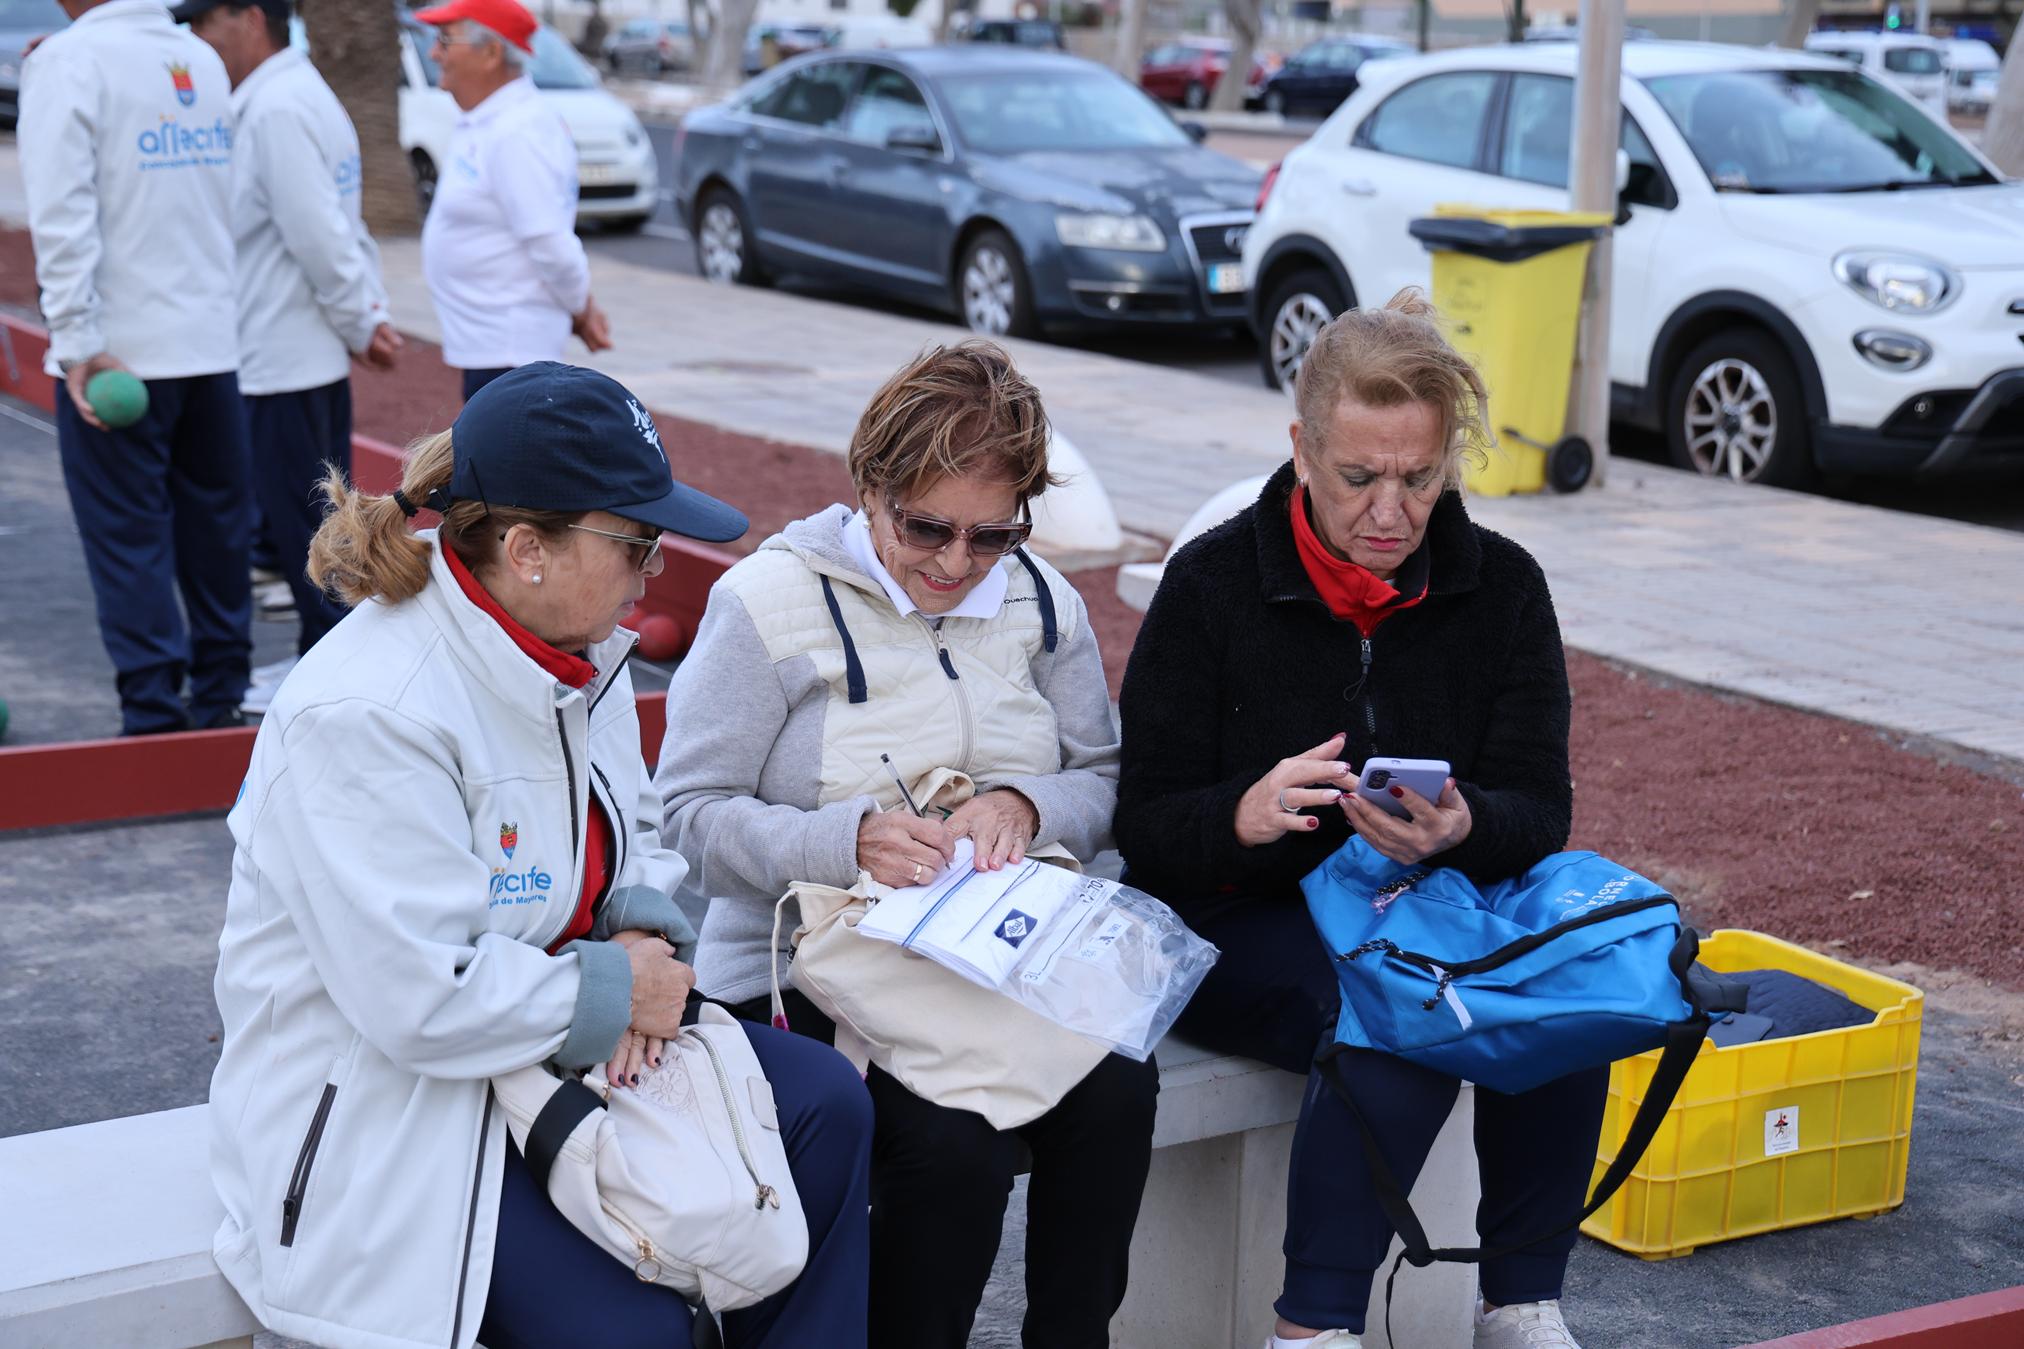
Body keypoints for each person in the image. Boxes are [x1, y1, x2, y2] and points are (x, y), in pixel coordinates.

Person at [208, 363, 872, 1349]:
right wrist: (616, 990)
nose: (653, 571)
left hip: (555, 1049)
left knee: (828, 1105)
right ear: (526, 549)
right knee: (637, 1330)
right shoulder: (369, 711)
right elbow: (420, 997)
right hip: (410, 1107)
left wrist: (641, 925)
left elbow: (629, 825)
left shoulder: (571, 652)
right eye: (637, 544)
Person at [1114, 292, 1594, 1349]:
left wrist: (1459, 824)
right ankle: (1313, 1325)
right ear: (1299, 447)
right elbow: (1143, 824)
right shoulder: (1210, 584)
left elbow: (1538, 807)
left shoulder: (1502, 586)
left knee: (1562, 982)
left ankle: (1518, 1301)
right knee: (1393, 997)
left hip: (1430, 901)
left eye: (1419, 477)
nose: (1390, 509)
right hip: (1237, 919)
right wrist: (1240, 815)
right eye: (1358, 476)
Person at [656, 341, 1155, 1349]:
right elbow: (689, 816)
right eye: (925, 526)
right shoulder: (764, 599)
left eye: (992, 535)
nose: (955, 562)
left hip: (988, 955)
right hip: (798, 975)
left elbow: (1102, 781)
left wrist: (1024, 802)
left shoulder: (1041, 600)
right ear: (868, 484)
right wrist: (848, 841)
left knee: (1119, 1085)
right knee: (950, 1152)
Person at [18, 0, 253, 734]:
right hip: (211, 347)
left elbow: (61, 215)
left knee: (127, 535)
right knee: (216, 531)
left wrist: (78, 341)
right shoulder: (202, 59)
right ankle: (220, 694)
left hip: (121, 355)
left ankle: (153, 712)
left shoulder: (68, 61)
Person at [177, 0, 403, 715]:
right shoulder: (298, 93)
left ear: (247, 18)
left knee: (302, 534)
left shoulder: (275, 108)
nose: (195, 40)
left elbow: (316, 232)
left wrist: (361, 318)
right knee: (309, 528)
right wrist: (362, 313)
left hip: (281, 359)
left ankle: (333, 684)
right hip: (299, 355)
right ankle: (322, 666)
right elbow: (341, 225)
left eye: (201, 22)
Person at [413, 0, 611, 402]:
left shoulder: (518, 131)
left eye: (445, 41)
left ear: (491, 53)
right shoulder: (490, 120)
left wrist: (581, 307)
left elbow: (549, 241)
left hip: (511, 356)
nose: (435, 53)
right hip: (495, 349)